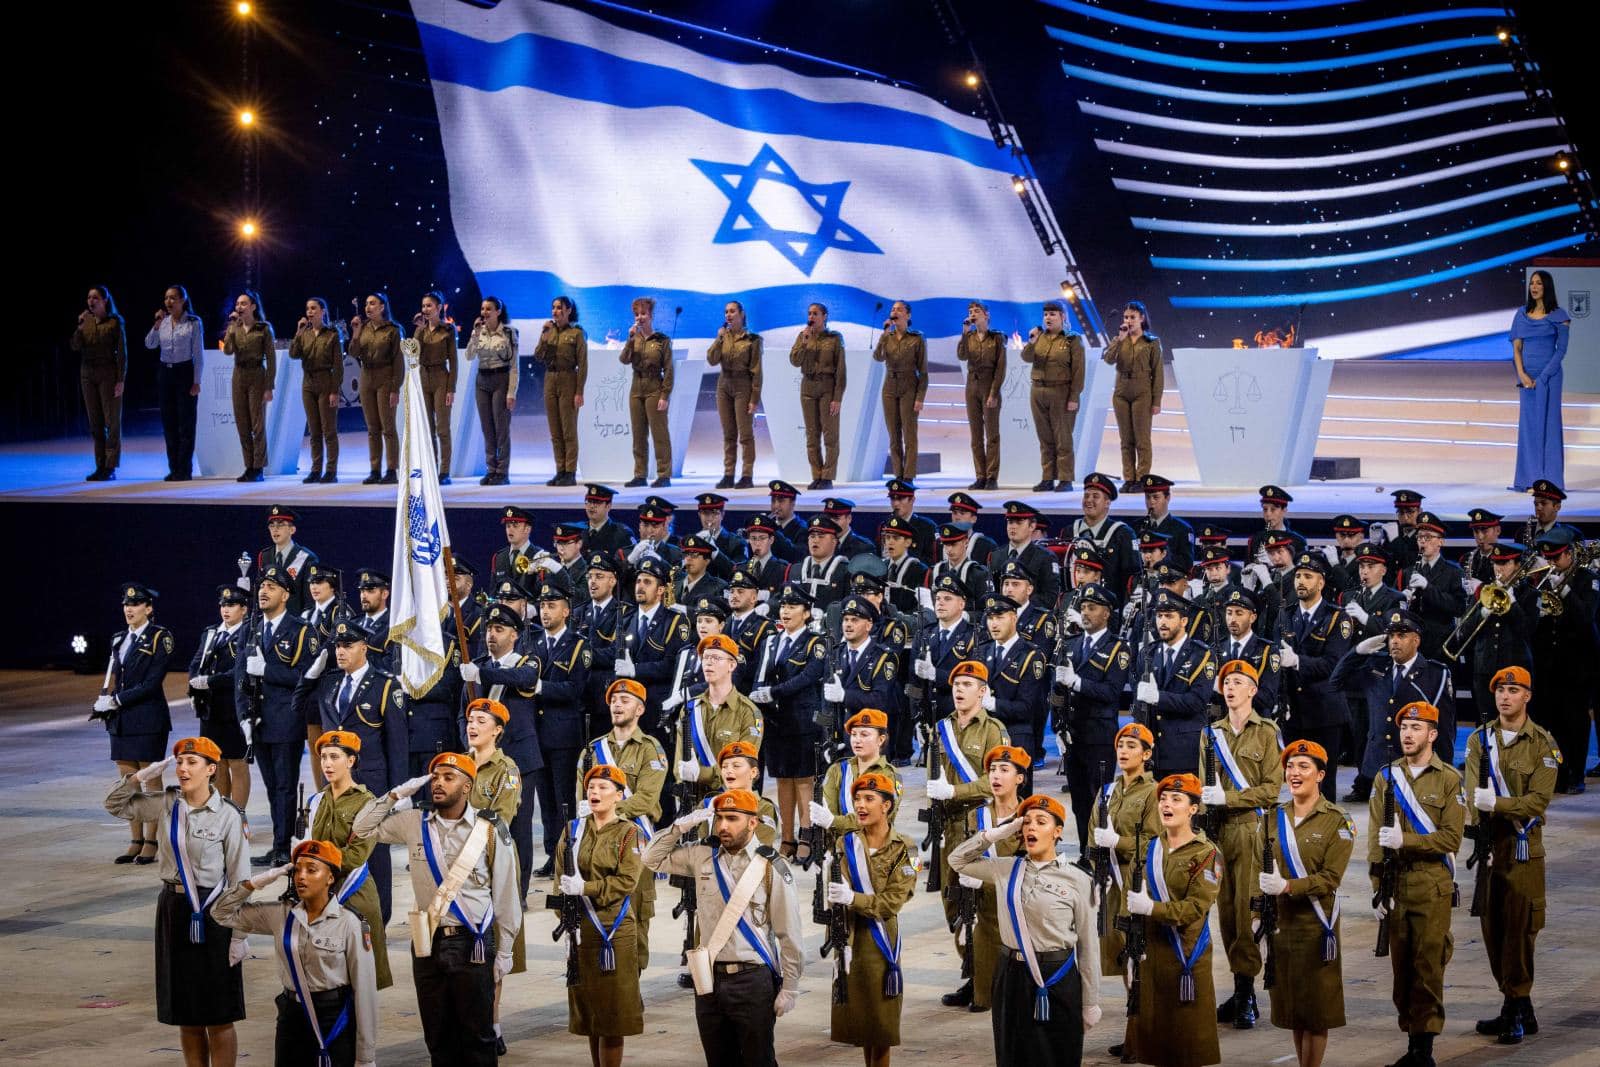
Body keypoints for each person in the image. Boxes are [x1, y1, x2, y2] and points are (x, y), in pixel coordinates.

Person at [352, 752, 522, 1067]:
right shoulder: (413, 823)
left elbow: (506, 894)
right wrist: (395, 794)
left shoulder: (488, 830)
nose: (439, 784)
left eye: (448, 777)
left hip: (471, 943)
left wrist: (505, 951)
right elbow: (362, 828)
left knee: (478, 1038)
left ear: (467, 786)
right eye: (435, 778)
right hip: (426, 941)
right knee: (437, 1038)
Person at [104, 737, 247, 1067]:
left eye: (192, 763)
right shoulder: (167, 803)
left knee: (219, 1011)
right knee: (186, 1011)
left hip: (215, 913)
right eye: (180, 762)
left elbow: (240, 878)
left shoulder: (227, 815)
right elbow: (114, 805)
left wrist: (239, 935)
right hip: (175, 909)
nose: (183, 769)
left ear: (211, 770)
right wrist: (138, 778)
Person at [641, 790, 806, 1067]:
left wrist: (790, 986)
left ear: (753, 822)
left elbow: (789, 933)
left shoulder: (770, 866)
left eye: (732, 818)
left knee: (759, 1061)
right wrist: (681, 826)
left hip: (752, 981)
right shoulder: (702, 855)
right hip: (709, 981)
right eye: (719, 819)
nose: (723, 826)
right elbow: (651, 858)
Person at [949, 792, 1102, 1067]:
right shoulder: (1006, 869)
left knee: (1057, 1056)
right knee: (1013, 1055)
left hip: (1058, 977)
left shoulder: (1079, 880)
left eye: (1041, 822)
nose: (1031, 827)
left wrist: (1090, 1001)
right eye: (1027, 822)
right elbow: (957, 860)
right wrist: (996, 833)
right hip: (1012, 977)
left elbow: (1089, 945)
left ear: (1057, 832)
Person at [211, 839, 379, 1067]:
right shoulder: (281, 914)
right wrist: (259, 881)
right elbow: (221, 913)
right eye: (297, 870)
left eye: (312, 870)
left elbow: (365, 991)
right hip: (292, 1017)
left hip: (334, 1017)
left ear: (330, 878)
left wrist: (366, 1058)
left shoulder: (349, 923)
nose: (301, 876)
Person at [1464, 666, 1558, 1045]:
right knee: (1493, 930)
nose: (1505, 696)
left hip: (1523, 849)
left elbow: (1539, 800)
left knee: (1520, 932)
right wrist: (1480, 806)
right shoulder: (1478, 740)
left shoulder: (1542, 744)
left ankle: (1515, 1007)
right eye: (1500, 689)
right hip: (1490, 848)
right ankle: (1517, 1005)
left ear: (1527, 696)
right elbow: (1473, 791)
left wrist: (1498, 802)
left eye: (1513, 690)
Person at [1368, 701, 1462, 1067]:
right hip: (1396, 886)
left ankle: (1424, 1049)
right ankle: (1412, 1039)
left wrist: (1406, 842)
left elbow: (1451, 838)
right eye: (1404, 727)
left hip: (1430, 885)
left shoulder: (1449, 779)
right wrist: (1377, 884)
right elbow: (1375, 836)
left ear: (1433, 735)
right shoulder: (1385, 777)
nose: (1407, 734)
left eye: (1416, 728)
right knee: (1402, 970)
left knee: (1427, 968)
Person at [298, 619, 409, 921]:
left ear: (364, 647)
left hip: (371, 783)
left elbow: (397, 744)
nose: (340, 651)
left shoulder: (385, 686)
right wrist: (312, 671)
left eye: (347, 645)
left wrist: (398, 792)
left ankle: (378, 918)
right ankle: (339, 913)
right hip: (335, 785)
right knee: (333, 850)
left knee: (374, 854)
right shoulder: (329, 682)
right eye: (337, 646)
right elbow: (298, 704)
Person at [1258, 740, 1353, 1067]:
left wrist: (1288, 885)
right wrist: (1257, 916)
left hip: (1315, 926)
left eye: (1303, 767)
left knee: (1315, 1011)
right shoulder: (1273, 817)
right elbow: (1260, 871)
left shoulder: (1336, 820)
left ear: (1321, 775)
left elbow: (1330, 878)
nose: (1294, 773)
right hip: (1281, 926)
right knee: (1293, 1010)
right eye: (1290, 767)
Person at [1202, 660, 1284, 1030]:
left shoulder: (1267, 732)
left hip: (1251, 830)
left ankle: (1247, 991)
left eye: (1238, 682)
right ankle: (1238, 988)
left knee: (1247, 913)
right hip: (1218, 833)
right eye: (1226, 682)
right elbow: (1203, 788)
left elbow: (1272, 788)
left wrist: (1229, 798)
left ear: (1253, 689)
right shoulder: (1210, 733)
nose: (1230, 687)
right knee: (1225, 914)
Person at [926, 660, 1010, 1008]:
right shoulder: (940, 728)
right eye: (956, 684)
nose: (959, 690)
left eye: (967, 684)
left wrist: (955, 792)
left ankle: (985, 986)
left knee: (982, 909)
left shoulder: (993, 729)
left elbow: (995, 782)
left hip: (979, 826)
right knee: (954, 905)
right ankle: (972, 972)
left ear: (983, 691)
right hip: (947, 827)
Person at [1123, 773, 1223, 1067]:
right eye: (1163, 799)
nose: (1166, 804)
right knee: (1156, 1046)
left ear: (1193, 808)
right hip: (1151, 957)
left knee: (1186, 1045)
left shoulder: (1208, 855)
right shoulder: (1148, 848)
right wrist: (1128, 951)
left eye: (1176, 799)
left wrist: (1152, 908)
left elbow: (1195, 908)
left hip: (1185, 960)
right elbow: (1129, 902)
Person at [556, 764, 645, 1067]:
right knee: (590, 1013)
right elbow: (560, 878)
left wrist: (587, 887)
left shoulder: (629, 832)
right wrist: (564, 922)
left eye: (603, 787)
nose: (594, 792)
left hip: (613, 931)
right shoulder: (573, 830)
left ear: (619, 795)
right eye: (591, 787)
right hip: (582, 929)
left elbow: (627, 881)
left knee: (612, 1016)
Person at [827, 771, 918, 1066]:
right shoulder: (846, 843)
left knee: (881, 1026)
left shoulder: (905, 849)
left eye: (869, 799)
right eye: (857, 799)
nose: (861, 806)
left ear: (887, 806)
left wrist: (854, 898)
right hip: (851, 937)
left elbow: (892, 902)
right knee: (862, 1026)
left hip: (881, 943)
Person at [234, 563, 322, 866]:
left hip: (285, 720)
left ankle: (284, 846)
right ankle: (278, 843)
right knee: (272, 788)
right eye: (262, 586)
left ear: (285, 594)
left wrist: (269, 671)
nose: (263, 591)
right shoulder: (251, 628)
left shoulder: (300, 631)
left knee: (285, 786)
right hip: (258, 721)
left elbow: (306, 676)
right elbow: (239, 678)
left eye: (271, 587)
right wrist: (243, 716)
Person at [1333, 609, 1457, 798]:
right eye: (1391, 636)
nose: (1395, 641)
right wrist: (1357, 652)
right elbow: (1336, 682)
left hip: (1414, 764)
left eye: (1401, 635)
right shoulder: (1375, 666)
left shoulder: (1435, 674)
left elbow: (1445, 729)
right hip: (1376, 764)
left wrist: (1443, 772)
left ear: (1416, 640)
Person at [1091, 722, 1162, 1050]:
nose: (1124, 751)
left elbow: (1155, 842)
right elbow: (1093, 832)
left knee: (1139, 960)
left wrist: (1118, 840)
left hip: (1138, 883)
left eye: (1132, 746)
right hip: (1112, 885)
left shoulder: (1154, 793)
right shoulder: (1107, 791)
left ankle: (1140, 1036)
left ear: (1147, 754)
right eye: (1121, 744)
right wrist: (1096, 864)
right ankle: (1137, 1031)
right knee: (1123, 957)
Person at [462, 698, 526, 1053]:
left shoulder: (507, 769)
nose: (472, 725)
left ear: (497, 730)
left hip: (491, 859)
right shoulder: (457, 766)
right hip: (456, 865)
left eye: (481, 720)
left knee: (495, 944)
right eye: (470, 719)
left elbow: (501, 816)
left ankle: (493, 1023)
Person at [307, 731, 393, 990]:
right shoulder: (317, 801)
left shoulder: (367, 803)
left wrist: (316, 862)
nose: (327, 764)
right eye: (323, 757)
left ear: (351, 761)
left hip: (354, 897)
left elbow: (356, 855)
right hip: (322, 895)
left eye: (335, 757)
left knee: (361, 984)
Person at [98, 581, 176, 863]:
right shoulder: (119, 638)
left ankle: (152, 841)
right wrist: (105, 699)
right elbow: (114, 676)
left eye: (135, 604)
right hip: (122, 719)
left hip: (147, 716)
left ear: (149, 608)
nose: (129, 609)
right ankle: (135, 839)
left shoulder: (159, 638)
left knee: (150, 782)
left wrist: (119, 699)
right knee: (127, 781)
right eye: (126, 605)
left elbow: (152, 682)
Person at [750, 586, 828, 862]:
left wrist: (774, 692)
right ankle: (787, 837)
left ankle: (806, 834)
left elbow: (809, 676)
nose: (785, 611)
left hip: (803, 718)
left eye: (793, 606)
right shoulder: (772, 640)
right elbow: (760, 673)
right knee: (783, 780)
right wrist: (760, 692)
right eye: (783, 606)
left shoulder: (814, 642)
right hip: (776, 719)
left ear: (806, 613)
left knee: (804, 780)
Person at [1056, 585, 1134, 853]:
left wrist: (1077, 682)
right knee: (1078, 800)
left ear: (1107, 613)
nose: (1086, 613)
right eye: (1084, 608)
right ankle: (1084, 851)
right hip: (1073, 735)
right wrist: (1058, 723)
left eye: (1092, 608)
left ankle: (1101, 854)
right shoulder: (1072, 644)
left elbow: (1112, 692)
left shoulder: (1118, 649)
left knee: (1098, 799)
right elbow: (1058, 692)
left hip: (1099, 735)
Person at [1275, 553, 1354, 798]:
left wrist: (1297, 661)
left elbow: (1333, 664)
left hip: (1324, 712)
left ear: (1320, 583)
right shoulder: (1285, 614)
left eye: (1308, 576)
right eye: (1298, 575)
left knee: (1322, 779)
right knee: (1296, 779)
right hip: (1293, 710)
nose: (1300, 581)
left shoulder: (1337, 617)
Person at [1530, 526, 1600, 794]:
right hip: (1549, 665)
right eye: (1548, 559)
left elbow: (1586, 618)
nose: (1552, 564)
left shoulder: (1587, 580)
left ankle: (1576, 774)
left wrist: (1566, 591)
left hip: (1578, 665)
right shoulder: (1541, 580)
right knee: (1552, 723)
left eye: (1556, 558)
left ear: (1570, 554)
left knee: (1576, 722)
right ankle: (1557, 773)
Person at [960, 745, 1026, 1014]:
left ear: (1019, 778)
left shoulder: (1029, 816)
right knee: (984, 995)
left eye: (1004, 770)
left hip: (1016, 905)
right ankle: (979, 989)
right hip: (984, 908)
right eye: (992, 770)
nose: (996, 776)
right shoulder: (976, 816)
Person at [1132, 591, 1217, 779]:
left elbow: (1197, 701)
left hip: (1184, 751)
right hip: (1152, 750)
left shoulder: (1201, 655)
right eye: (1159, 616)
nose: (1162, 622)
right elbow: (1140, 705)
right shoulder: (1148, 653)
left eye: (1169, 616)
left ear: (1184, 621)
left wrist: (1158, 698)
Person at [188, 584, 251, 812]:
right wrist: (195, 683)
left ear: (244, 609)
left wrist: (210, 682)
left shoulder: (249, 632)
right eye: (223, 605)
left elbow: (240, 670)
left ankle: (238, 814)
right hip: (211, 708)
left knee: (237, 763)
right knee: (217, 763)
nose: (226, 610)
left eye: (232, 605)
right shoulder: (211, 633)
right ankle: (223, 814)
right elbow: (196, 662)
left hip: (235, 706)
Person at [1509, 269, 1570, 491]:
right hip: (1527, 379)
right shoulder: (1521, 314)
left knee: (1549, 426)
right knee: (1529, 426)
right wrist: (1522, 374)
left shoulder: (1559, 315)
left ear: (1547, 287)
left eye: (1539, 284)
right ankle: (1529, 479)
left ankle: (1549, 482)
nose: (1534, 287)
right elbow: (1516, 348)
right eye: (1532, 283)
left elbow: (1561, 350)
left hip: (1550, 377)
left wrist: (1544, 376)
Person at [1020, 301, 1085, 492]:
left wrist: (1074, 397)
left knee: (1062, 437)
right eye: (1046, 314)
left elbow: (1079, 371)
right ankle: (1047, 477)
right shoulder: (1039, 337)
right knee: (1045, 437)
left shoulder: (1072, 340)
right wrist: (1031, 341)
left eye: (1052, 314)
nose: (1048, 318)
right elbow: (1026, 357)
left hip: (1061, 392)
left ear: (1063, 317)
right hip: (1038, 390)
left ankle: (1065, 479)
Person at [145, 284, 204, 481]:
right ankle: (174, 468)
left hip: (184, 372)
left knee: (186, 423)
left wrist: (197, 381)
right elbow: (150, 344)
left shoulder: (193, 322)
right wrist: (155, 325)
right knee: (169, 422)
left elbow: (198, 354)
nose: (168, 302)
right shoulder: (162, 322)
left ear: (182, 300)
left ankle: (184, 469)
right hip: (165, 373)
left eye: (172, 298)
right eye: (166, 298)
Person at [1103, 301, 1163, 492]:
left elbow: (1158, 373)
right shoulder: (1120, 339)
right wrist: (1119, 340)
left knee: (1141, 438)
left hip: (1142, 390)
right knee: (1125, 438)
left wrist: (1156, 401)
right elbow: (1108, 359)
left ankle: (1142, 477)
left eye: (1132, 317)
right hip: (1121, 390)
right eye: (1126, 317)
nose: (1128, 321)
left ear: (1142, 319)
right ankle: (1129, 478)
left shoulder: (1151, 342)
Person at [72, 284, 128, 480]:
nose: (91, 301)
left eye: (95, 297)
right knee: (95, 423)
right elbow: (74, 346)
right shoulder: (86, 322)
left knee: (111, 421)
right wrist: (80, 326)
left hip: (108, 373)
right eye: (89, 297)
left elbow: (122, 354)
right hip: (87, 373)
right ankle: (100, 465)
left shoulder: (114, 322)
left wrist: (120, 379)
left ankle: (110, 466)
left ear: (105, 300)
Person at [706, 300, 763, 488]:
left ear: (742, 314)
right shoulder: (724, 336)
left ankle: (747, 475)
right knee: (728, 433)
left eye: (732, 311)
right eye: (726, 312)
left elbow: (756, 371)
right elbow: (712, 360)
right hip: (724, 384)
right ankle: (728, 474)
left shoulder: (752, 339)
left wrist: (754, 398)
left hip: (743, 385)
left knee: (745, 434)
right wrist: (719, 339)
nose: (728, 315)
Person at [620, 296, 675, 488]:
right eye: (637, 314)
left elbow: (669, 369)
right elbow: (624, 359)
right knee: (638, 433)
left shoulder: (662, 340)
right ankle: (640, 474)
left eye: (643, 313)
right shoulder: (634, 338)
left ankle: (664, 473)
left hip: (654, 386)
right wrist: (629, 339)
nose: (640, 317)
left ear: (651, 315)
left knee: (659, 433)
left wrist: (665, 395)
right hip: (637, 386)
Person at [790, 301, 846, 490]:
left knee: (830, 434)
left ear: (824, 316)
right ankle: (816, 474)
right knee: (812, 434)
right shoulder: (803, 336)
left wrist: (837, 397)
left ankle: (828, 476)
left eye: (815, 314)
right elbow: (794, 361)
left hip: (827, 386)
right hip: (808, 386)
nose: (811, 317)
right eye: (809, 313)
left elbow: (841, 370)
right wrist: (804, 343)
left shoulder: (835, 338)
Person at [289, 298, 345, 483]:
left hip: (326, 381)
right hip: (308, 382)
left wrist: (334, 390)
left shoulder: (332, 334)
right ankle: (315, 469)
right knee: (314, 431)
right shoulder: (304, 333)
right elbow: (293, 354)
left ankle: (331, 470)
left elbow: (338, 366)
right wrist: (298, 332)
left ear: (323, 311)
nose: (310, 312)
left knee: (328, 429)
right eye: (308, 309)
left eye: (314, 308)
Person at [222, 290, 276, 482]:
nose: (239, 307)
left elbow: (271, 359)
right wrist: (230, 328)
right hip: (239, 374)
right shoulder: (235, 328)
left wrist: (269, 386)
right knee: (242, 423)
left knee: (257, 424)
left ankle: (258, 467)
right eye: (238, 304)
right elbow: (227, 351)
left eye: (243, 303)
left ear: (253, 306)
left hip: (257, 375)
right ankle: (249, 466)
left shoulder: (263, 329)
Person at [1400, 513, 1468, 664]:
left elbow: (1459, 607)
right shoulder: (1407, 572)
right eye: (1420, 537)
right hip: (1413, 643)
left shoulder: (1454, 571)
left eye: (1428, 537)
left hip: (1440, 644)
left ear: (1441, 541)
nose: (1423, 542)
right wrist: (1401, 599)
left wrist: (1427, 587)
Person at [465, 295, 519, 486]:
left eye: (489, 309)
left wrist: (511, 392)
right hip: (482, 380)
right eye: (483, 309)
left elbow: (514, 365)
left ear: (498, 311)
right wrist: (474, 333)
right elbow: (469, 356)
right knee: (487, 428)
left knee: (501, 427)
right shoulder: (479, 332)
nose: (484, 313)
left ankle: (502, 471)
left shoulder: (509, 333)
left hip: (501, 379)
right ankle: (491, 469)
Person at [873, 300, 928, 480]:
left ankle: (909, 475)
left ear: (908, 315)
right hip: (890, 385)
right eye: (893, 309)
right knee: (893, 434)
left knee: (909, 433)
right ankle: (898, 474)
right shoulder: (887, 337)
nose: (895, 312)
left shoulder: (917, 338)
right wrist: (883, 334)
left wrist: (920, 397)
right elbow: (878, 357)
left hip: (909, 385)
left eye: (899, 309)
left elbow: (924, 371)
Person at [957, 301, 1007, 490]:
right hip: (972, 385)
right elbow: (961, 356)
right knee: (975, 435)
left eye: (977, 311)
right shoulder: (968, 336)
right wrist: (964, 331)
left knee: (992, 435)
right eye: (970, 311)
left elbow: (1000, 368)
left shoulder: (996, 338)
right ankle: (980, 475)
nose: (973, 314)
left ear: (986, 315)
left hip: (989, 384)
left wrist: (994, 393)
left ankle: (992, 476)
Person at [413, 290, 460, 483]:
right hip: (424, 377)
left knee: (442, 428)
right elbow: (413, 355)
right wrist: (418, 330)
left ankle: (445, 471)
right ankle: (430, 468)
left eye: (429, 306)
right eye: (423, 306)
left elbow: (454, 362)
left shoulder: (448, 330)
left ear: (439, 308)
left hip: (441, 376)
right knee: (427, 428)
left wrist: (451, 389)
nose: (425, 309)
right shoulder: (421, 331)